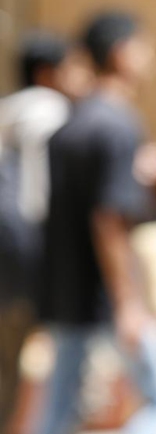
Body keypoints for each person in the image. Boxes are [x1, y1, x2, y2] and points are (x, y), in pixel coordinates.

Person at [37, 11, 156, 434]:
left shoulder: (73, 121)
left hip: (67, 289)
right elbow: (109, 218)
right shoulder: (119, 124)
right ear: (123, 53)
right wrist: (129, 304)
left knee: (60, 408)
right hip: (105, 293)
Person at [0, 30, 89, 434]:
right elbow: (39, 196)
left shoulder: (9, 108)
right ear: (48, 73)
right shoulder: (45, 109)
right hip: (19, 258)